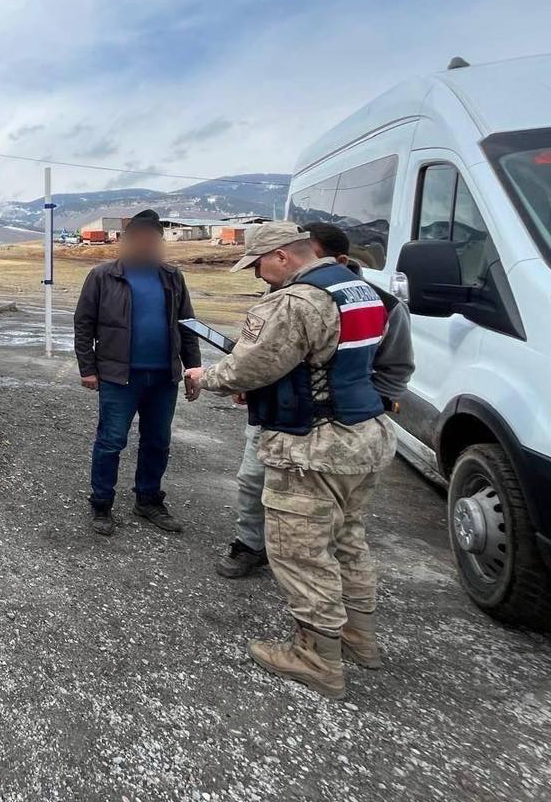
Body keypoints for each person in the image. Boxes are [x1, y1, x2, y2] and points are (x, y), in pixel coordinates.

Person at [185, 222, 398, 700]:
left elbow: (252, 365)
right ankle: (358, 637)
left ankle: (316, 658)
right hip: (365, 436)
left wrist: (207, 376)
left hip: (314, 445)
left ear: (282, 256)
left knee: (301, 551)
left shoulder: (295, 301)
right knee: (347, 539)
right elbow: (326, 364)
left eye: (258, 264)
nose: (257, 274)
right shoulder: (359, 290)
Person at [216, 222, 415, 579]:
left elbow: (394, 369)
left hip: (320, 434)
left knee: (309, 543)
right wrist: (254, 384)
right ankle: (252, 545)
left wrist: (357, 406)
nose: (258, 275)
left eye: (314, 257)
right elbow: (268, 358)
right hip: (278, 418)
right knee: (253, 482)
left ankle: (315, 588)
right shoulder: (289, 291)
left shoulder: (374, 303)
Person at [74, 209, 202, 536]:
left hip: (163, 378)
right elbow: (83, 324)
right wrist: (88, 368)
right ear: (127, 241)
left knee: (158, 441)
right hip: (119, 377)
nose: (147, 245)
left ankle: (148, 500)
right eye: (140, 239)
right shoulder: (103, 276)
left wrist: (193, 368)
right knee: (111, 441)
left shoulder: (172, 277)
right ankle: (101, 503)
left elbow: (187, 325)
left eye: (153, 240)